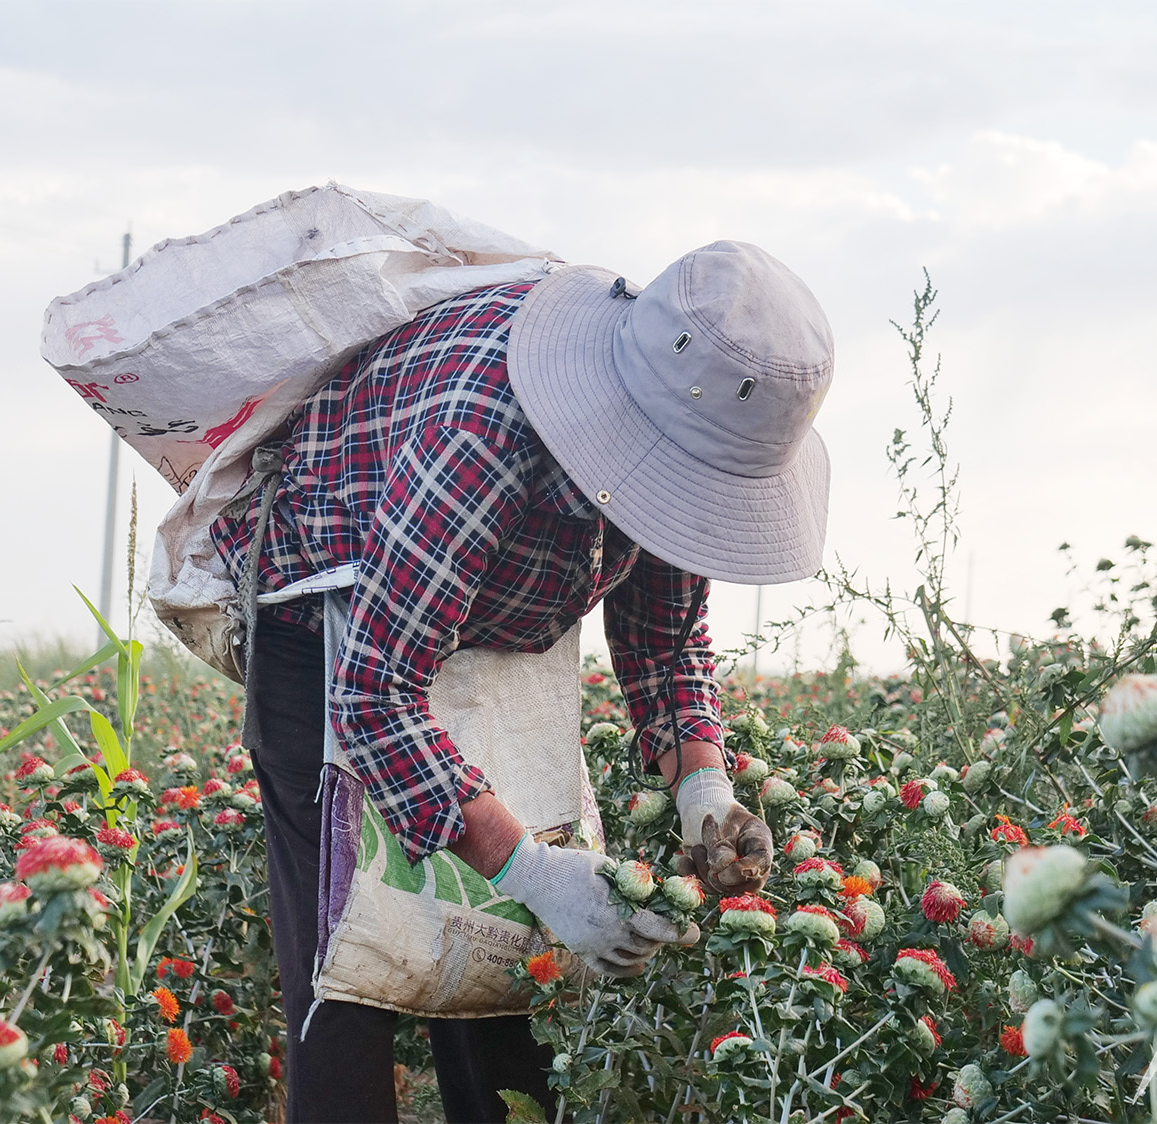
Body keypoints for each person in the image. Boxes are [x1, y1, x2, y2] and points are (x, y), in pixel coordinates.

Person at [213, 239, 835, 1123]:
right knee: (352, 962)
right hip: (331, 622)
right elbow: (375, 694)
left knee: (511, 964)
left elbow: (666, 640)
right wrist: (533, 870)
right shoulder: (484, 434)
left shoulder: (684, 443)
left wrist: (704, 788)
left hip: (488, 630)